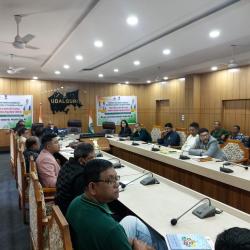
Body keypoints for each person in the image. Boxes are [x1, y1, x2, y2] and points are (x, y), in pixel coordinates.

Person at [66, 159, 167, 250]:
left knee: (131, 220)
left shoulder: (76, 202)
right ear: (92, 187)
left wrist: (123, 241)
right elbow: (110, 232)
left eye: (116, 178)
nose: (117, 184)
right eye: (110, 180)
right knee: (163, 244)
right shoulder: (112, 230)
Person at [55, 143, 95, 215]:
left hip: (60, 204)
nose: (94, 160)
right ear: (81, 160)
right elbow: (82, 202)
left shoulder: (68, 163)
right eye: (91, 158)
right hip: (69, 212)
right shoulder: (81, 175)